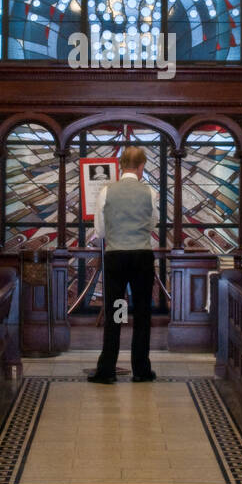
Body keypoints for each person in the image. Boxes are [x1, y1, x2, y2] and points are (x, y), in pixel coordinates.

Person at [88, 146, 159, 385]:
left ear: (120, 165)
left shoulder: (107, 191)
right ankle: (141, 369)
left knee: (116, 311)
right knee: (141, 313)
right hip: (141, 257)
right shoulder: (149, 192)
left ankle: (107, 368)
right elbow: (152, 224)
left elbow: (99, 230)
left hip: (116, 257)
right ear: (141, 166)